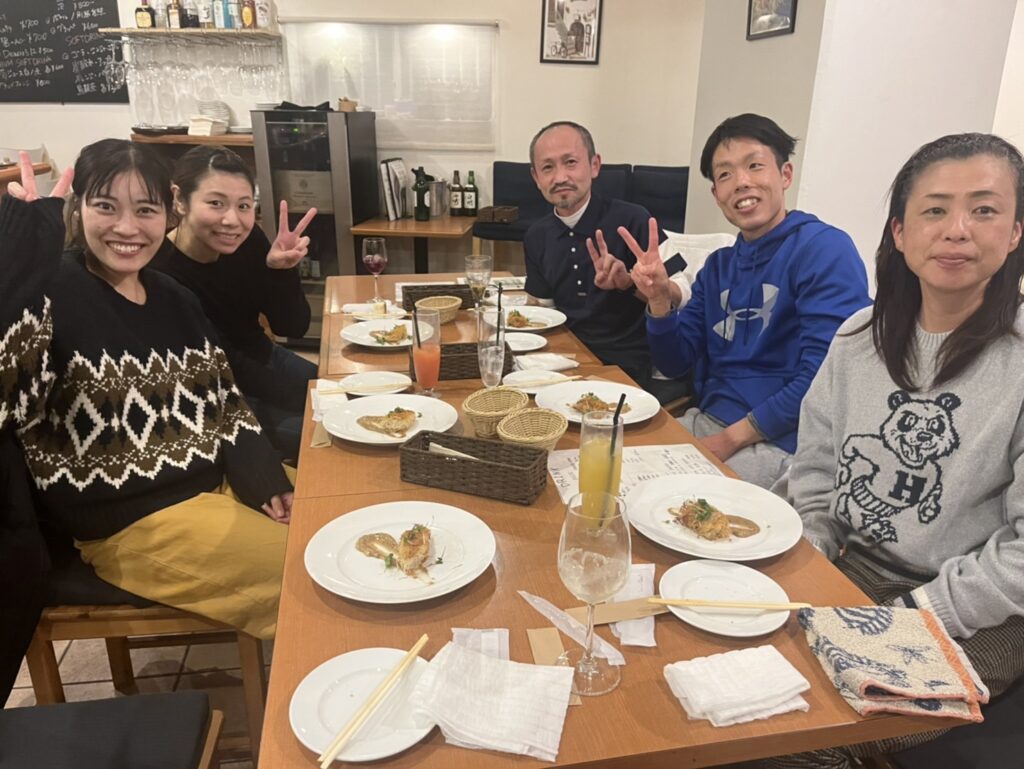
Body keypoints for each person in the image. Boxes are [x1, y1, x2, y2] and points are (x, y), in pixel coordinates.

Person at [763, 133, 1024, 767]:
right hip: (850, 566)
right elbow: (816, 470)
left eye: (984, 209)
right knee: (727, 680)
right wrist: (812, 552)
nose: (957, 229)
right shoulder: (858, 338)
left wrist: (915, 613)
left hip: (978, 607)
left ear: (1016, 231)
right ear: (900, 232)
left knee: (813, 737)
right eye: (935, 209)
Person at [0, 143, 292, 640]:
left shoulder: (174, 296)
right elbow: (9, 404)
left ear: (168, 211)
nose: (127, 227)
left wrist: (264, 477)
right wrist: (20, 264)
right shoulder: (50, 293)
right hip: (132, 522)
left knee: (341, 522)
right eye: (106, 206)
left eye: (145, 210)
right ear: (77, 208)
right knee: (313, 573)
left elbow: (225, 399)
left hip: (216, 481)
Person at [631, 113, 870, 488]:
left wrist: (731, 438)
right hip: (710, 422)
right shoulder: (718, 266)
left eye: (755, 166)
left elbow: (825, 378)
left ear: (785, 174)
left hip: (786, 442)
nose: (741, 182)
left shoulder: (823, 249)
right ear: (716, 194)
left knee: (667, 501)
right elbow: (675, 363)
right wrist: (660, 302)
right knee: (611, 466)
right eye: (725, 174)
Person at [150, 145, 317, 461]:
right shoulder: (161, 273)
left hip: (264, 357)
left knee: (355, 398)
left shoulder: (247, 239)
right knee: (327, 430)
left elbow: (293, 326)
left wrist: (281, 271)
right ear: (179, 199)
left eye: (244, 206)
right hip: (220, 395)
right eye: (216, 203)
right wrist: (313, 399)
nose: (232, 220)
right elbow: (226, 365)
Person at [523, 120, 689, 404]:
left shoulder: (634, 220)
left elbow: (684, 294)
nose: (560, 176)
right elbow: (544, 311)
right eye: (548, 167)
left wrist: (633, 284)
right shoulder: (536, 235)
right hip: (568, 361)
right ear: (536, 177)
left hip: (630, 362)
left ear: (594, 165)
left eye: (571, 162)